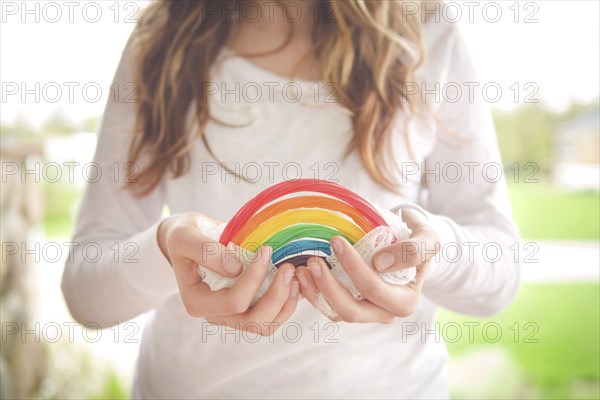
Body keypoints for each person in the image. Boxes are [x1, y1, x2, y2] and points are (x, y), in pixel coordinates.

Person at [62, 1, 521, 398]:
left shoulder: (425, 30)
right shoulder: (161, 40)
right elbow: (86, 294)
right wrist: (166, 249)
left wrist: (427, 250)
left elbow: (500, 272)